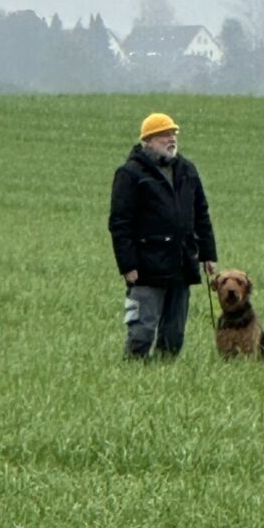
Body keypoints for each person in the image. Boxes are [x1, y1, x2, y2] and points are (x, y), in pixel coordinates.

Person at [109, 112, 218, 360]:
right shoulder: (130, 173)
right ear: (148, 140)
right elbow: (120, 223)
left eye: (173, 134)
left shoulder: (187, 170)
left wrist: (208, 254)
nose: (171, 139)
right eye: (164, 135)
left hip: (181, 263)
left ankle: (164, 373)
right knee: (142, 330)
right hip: (146, 266)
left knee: (174, 334)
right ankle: (133, 369)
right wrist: (127, 265)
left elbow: (201, 213)